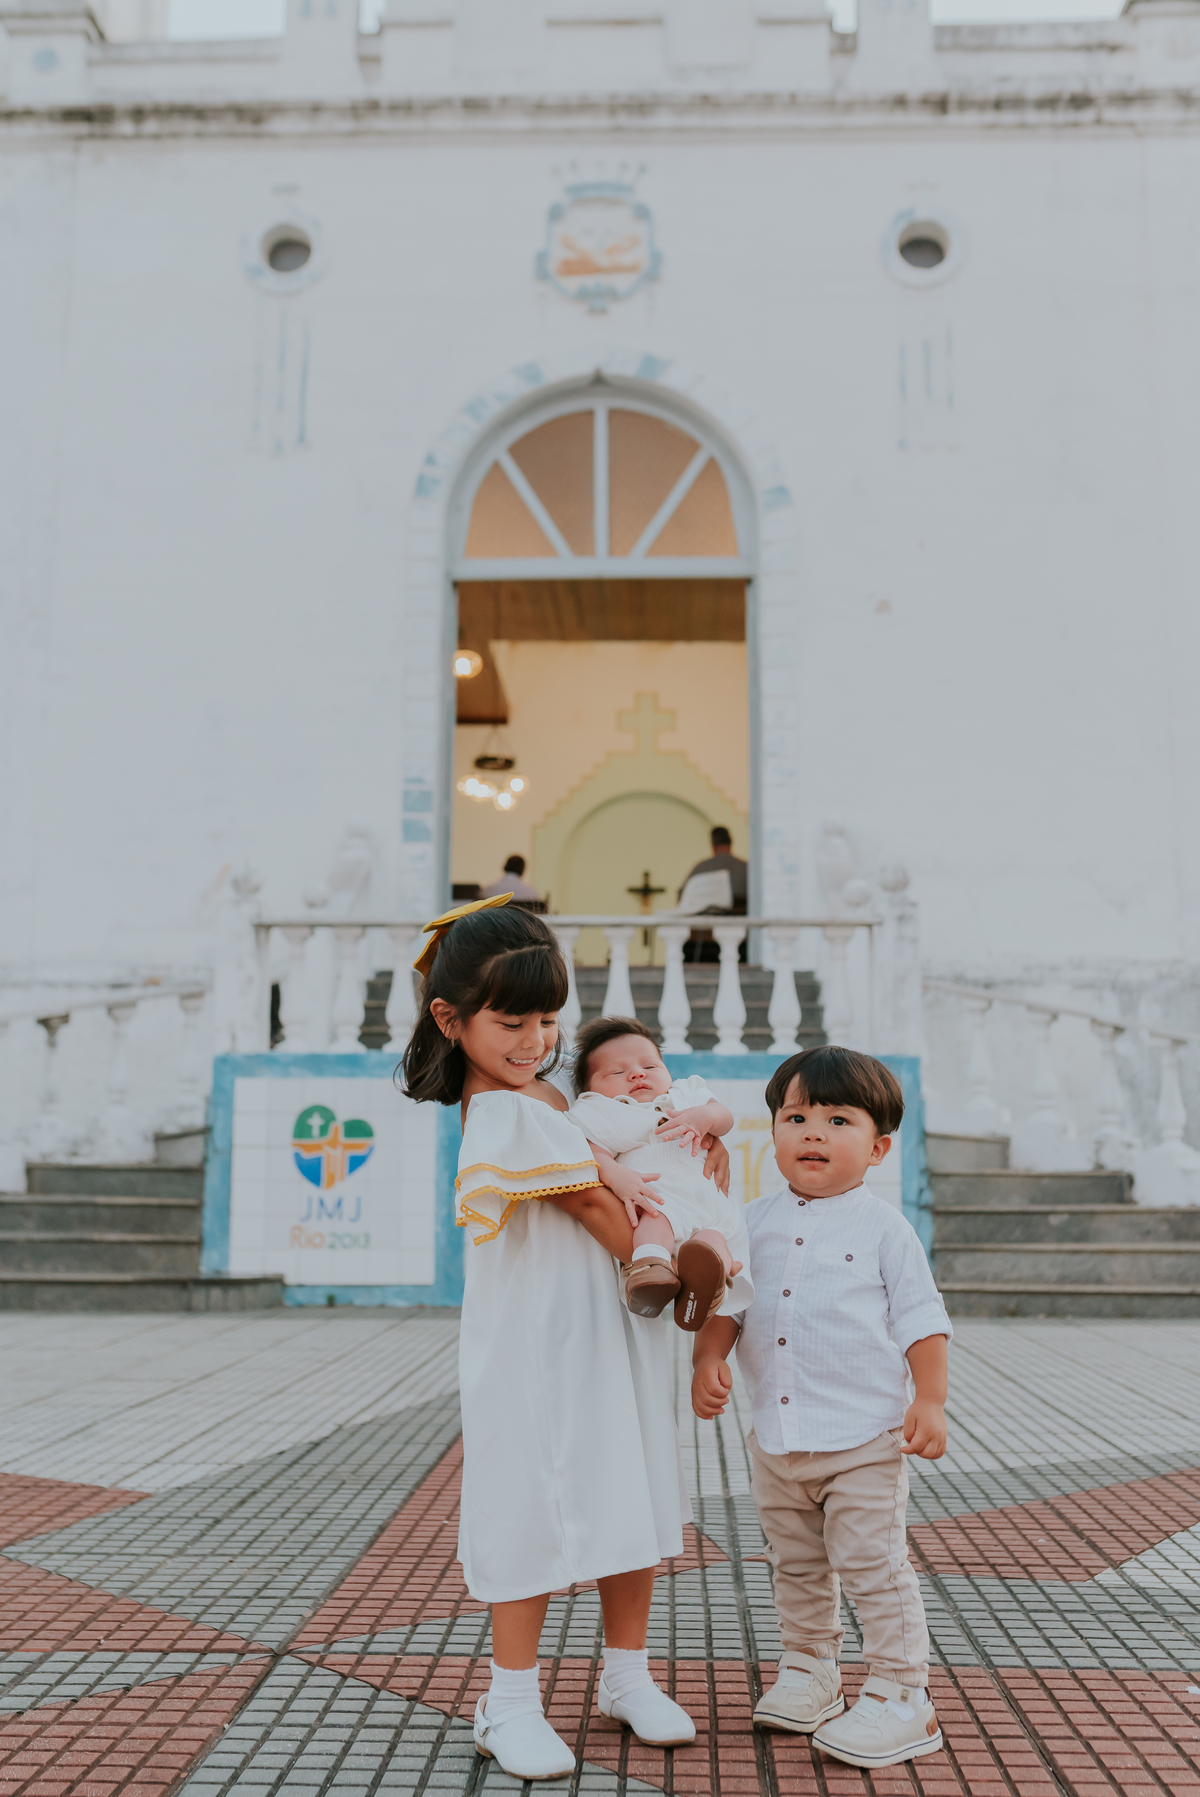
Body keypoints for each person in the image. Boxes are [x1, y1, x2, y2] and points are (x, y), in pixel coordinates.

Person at [400, 894, 697, 1781]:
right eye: (510, 1019)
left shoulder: (549, 1100)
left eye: (547, 1017)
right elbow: (598, 1209)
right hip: (538, 1349)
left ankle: (627, 1676)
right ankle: (510, 1699)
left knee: (632, 1487)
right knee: (527, 1506)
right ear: (450, 1020)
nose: (534, 1037)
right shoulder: (500, 1113)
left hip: (611, 1333)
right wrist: (664, 1233)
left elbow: (629, 1156)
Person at [690, 1045, 952, 1771]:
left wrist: (929, 1397)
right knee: (796, 1562)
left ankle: (904, 1694)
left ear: (878, 1146)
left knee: (872, 1563)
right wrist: (708, 1357)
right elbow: (729, 1305)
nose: (812, 1131)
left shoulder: (885, 1231)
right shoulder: (751, 1222)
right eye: (796, 1115)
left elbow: (922, 1320)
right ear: (771, 1132)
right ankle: (811, 1669)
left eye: (838, 1119)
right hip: (777, 1439)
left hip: (864, 1440)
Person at [566, 1016, 752, 1329]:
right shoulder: (601, 1111)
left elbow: (724, 1116)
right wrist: (613, 1174)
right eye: (618, 1071)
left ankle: (713, 1279)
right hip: (657, 1196)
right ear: (590, 1089)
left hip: (708, 1201)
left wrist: (706, 1116)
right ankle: (649, 1271)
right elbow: (589, 1153)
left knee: (711, 1239)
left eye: (650, 1067)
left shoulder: (685, 1094)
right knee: (655, 1217)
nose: (638, 1073)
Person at [679, 827, 748, 963]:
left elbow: (682, 898)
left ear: (713, 845)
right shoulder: (746, 869)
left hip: (702, 941)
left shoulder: (701, 868)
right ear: (731, 843)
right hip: (743, 941)